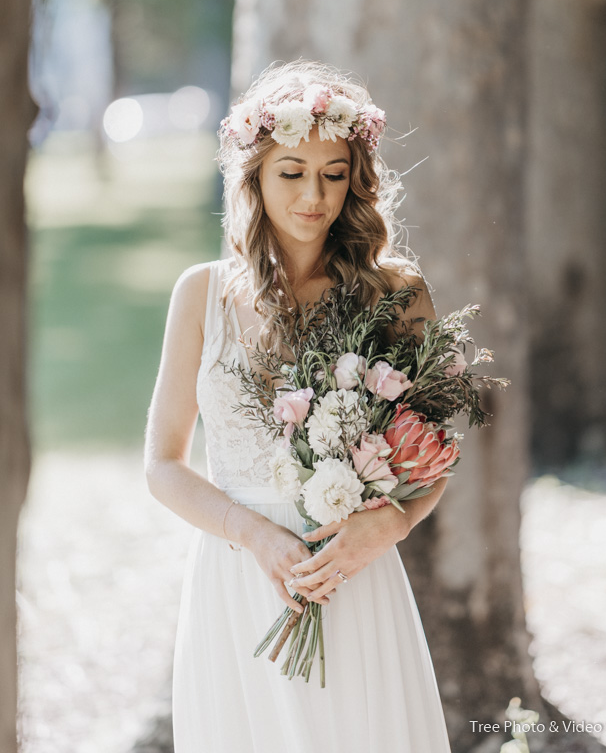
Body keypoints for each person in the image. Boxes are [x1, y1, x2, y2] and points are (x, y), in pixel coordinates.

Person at [144, 60, 459, 752]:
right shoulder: (200, 295)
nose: (314, 195)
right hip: (238, 576)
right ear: (253, 174)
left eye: (334, 173)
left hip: (352, 568)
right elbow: (162, 465)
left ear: (357, 178)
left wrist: (392, 525)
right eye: (291, 172)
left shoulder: (396, 293)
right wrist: (256, 536)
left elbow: (433, 454)